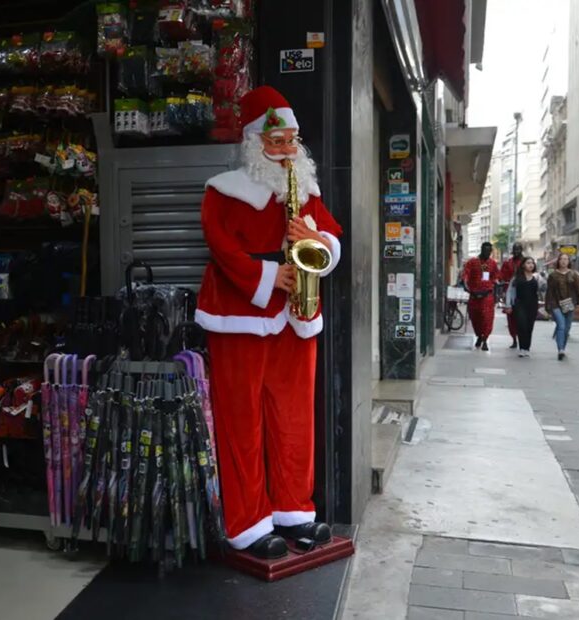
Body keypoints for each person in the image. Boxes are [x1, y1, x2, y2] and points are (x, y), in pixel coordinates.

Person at [196, 86, 343, 560]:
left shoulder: (308, 192)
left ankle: (294, 512)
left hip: (296, 315)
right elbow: (220, 247)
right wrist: (266, 275)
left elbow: (333, 239)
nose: (286, 152)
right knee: (242, 420)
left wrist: (314, 238)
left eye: (292, 143)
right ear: (254, 142)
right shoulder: (223, 191)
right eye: (276, 142)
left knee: (295, 416)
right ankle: (248, 524)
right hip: (240, 315)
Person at [544, 252, 579, 361]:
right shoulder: (553, 275)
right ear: (558, 261)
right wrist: (548, 305)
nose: (563, 261)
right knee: (561, 325)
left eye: (566, 259)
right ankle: (560, 349)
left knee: (567, 328)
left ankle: (563, 347)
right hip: (556, 303)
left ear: (569, 261)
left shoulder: (574, 275)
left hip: (570, 304)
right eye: (562, 259)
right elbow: (549, 291)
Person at [461, 241, 499, 350]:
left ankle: (485, 339)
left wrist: (496, 286)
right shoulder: (472, 262)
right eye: (485, 250)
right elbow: (465, 274)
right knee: (475, 318)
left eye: (489, 251)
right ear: (481, 249)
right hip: (474, 295)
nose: (487, 253)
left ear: (491, 252)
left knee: (487, 318)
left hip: (487, 296)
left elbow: (496, 277)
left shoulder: (493, 264)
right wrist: (465, 284)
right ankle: (479, 336)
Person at [505, 256, 539, 357]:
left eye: (532, 263)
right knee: (521, 325)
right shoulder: (517, 278)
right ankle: (522, 348)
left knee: (529, 327)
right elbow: (510, 291)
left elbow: (543, 289)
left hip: (532, 305)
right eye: (528, 263)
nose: (530, 265)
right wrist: (508, 305)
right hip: (519, 304)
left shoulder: (536, 277)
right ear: (523, 265)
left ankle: (527, 348)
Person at [500, 243, 524, 348]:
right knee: (511, 317)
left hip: (522, 293)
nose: (516, 251)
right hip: (509, 293)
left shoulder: (526, 262)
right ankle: (514, 339)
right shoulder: (508, 263)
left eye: (518, 249)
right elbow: (501, 276)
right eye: (515, 249)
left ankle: (522, 338)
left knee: (522, 317)